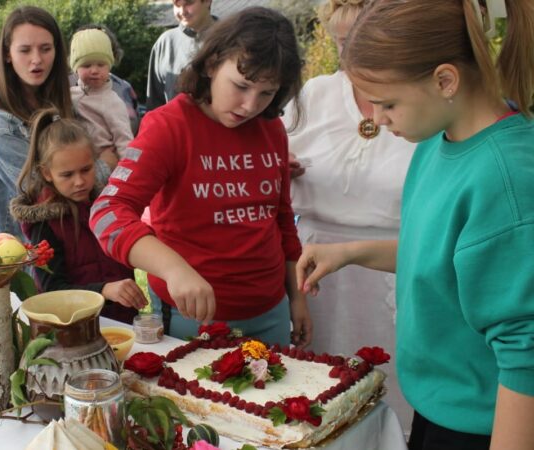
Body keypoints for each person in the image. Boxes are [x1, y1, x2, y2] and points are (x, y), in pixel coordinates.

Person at [295, 1, 534, 449]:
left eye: (388, 103)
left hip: (487, 426)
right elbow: (441, 254)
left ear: (445, 80)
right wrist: (350, 252)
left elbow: (527, 354)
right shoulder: (437, 140)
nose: (378, 120)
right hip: (439, 407)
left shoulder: (507, 178)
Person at [91, 8, 311, 347]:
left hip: (272, 311)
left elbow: (281, 218)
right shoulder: (169, 126)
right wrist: (174, 269)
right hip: (192, 319)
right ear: (211, 64)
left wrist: (296, 298)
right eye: (241, 86)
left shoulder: (272, 129)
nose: (251, 105)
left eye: (267, 93)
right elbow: (107, 212)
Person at [282, 0, 415, 433]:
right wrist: (279, 164)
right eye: (341, 43)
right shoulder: (313, 95)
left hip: (394, 265)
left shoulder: (417, 96)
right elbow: (268, 159)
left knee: (393, 387)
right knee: (322, 388)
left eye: (360, 42)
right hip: (318, 269)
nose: (349, 56)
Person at [0, 6, 113, 239]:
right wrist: (106, 165)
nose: (36, 60)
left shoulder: (68, 102)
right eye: (25, 50)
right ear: (7, 54)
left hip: (78, 248)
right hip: (27, 260)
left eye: (45, 49)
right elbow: (43, 190)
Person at [10, 108, 147, 324]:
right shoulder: (45, 224)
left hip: (124, 324)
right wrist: (104, 290)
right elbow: (52, 289)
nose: (79, 181)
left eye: (86, 169)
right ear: (47, 173)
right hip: (75, 332)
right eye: (67, 174)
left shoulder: (108, 208)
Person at [68, 28, 133, 158]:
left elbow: (125, 141)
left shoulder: (112, 102)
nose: (94, 70)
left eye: (101, 64)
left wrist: (127, 172)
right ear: (75, 69)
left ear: (109, 66)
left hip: (104, 161)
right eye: (86, 65)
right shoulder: (69, 95)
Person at [145, 0, 215, 111]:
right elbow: (154, 104)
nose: (182, 11)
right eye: (177, 5)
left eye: (189, 3)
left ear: (207, 1)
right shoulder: (165, 43)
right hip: (173, 127)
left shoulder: (230, 39)